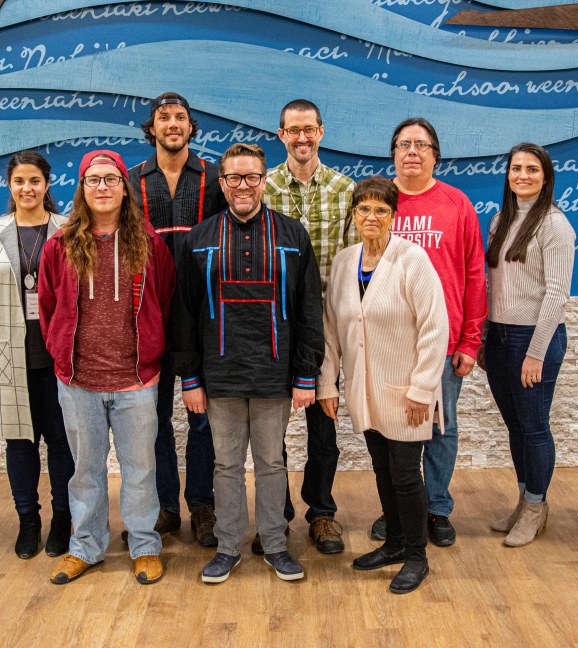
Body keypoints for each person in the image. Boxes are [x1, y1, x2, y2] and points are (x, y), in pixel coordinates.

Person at [172, 143, 323, 584]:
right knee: (225, 466)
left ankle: (275, 544)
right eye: (234, 178)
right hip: (219, 378)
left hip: (276, 376)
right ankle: (226, 547)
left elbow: (308, 310)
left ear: (263, 181)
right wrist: (191, 379)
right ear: (222, 183)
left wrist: (306, 374)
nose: (243, 185)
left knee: (273, 463)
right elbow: (185, 313)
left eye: (252, 177)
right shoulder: (199, 240)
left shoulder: (293, 236)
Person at [37, 150, 176, 584]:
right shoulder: (59, 246)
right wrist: (63, 356)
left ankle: (144, 544)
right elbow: (47, 307)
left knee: (141, 469)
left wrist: (151, 355)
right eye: (93, 180)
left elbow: (165, 300)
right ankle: (87, 547)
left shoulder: (148, 243)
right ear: (82, 188)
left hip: (136, 380)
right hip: (79, 382)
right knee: (85, 472)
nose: (102, 187)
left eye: (111, 179)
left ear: (123, 187)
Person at [318, 176, 448, 594]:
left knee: (407, 474)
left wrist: (422, 389)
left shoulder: (412, 260)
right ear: (353, 214)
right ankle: (393, 544)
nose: (371, 216)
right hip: (365, 391)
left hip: (407, 392)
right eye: (363, 209)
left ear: (394, 215)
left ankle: (416, 556)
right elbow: (331, 331)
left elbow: (434, 327)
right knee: (382, 468)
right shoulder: (343, 263)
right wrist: (327, 384)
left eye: (380, 209)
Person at [370, 118, 487, 546]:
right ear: (394, 154)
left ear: (435, 154)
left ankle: (436, 508)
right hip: (386, 345)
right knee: (389, 430)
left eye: (421, 145)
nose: (412, 152)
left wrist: (471, 341)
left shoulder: (456, 204)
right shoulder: (377, 201)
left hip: (441, 344)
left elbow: (475, 275)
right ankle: (397, 510)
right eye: (404, 144)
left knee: (440, 429)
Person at [127, 92, 226, 547]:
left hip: (205, 316)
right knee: (154, 416)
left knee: (203, 418)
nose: (172, 123)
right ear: (152, 128)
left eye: (180, 117)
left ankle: (202, 505)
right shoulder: (129, 181)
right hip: (148, 317)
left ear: (191, 126)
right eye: (163, 117)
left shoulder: (213, 177)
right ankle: (166, 504)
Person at [0, 150, 75, 559]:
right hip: (7, 357)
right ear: (9, 186)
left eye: (34, 180)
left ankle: (63, 519)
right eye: (19, 182)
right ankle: (28, 520)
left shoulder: (68, 229)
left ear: (47, 184)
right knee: (19, 443)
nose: (27, 188)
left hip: (59, 359)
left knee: (63, 444)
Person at [262, 98, 355, 555]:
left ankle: (322, 513)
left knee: (323, 424)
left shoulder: (345, 189)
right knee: (270, 428)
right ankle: (275, 516)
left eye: (309, 129)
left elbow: (356, 261)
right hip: (272, 326)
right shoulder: (263, 189)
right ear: (281, 135)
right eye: (292, 130)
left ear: (322, 131)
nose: (301, 137)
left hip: (326, 327)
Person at [476, 143, 575, 547]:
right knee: (515, 426)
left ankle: (537, 506)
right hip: (499, 337)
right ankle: (525, 498)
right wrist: (483, 334)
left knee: (534, 428)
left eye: (532, 169)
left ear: (546, 177)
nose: (522, 175)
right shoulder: (500, 221)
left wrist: (536, 352)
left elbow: (557, 295)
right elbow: (492, 285)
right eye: (516, 168)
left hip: (533, 339)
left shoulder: (554, 226)